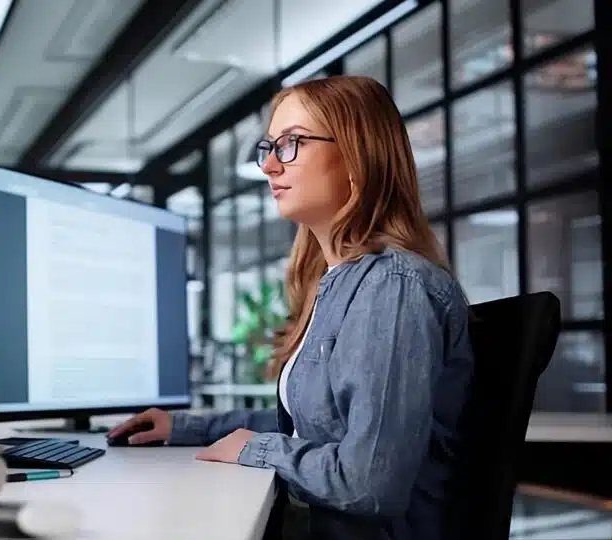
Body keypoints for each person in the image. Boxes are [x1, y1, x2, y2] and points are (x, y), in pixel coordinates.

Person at [108, 75, 475, 540]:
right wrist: (184, 426)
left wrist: (257, 450)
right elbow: (310, 427)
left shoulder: (393, 288)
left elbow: (368, 482)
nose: (269, 167)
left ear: (356, 157)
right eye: (270, 147)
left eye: (293, 143)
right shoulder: (341, 285)